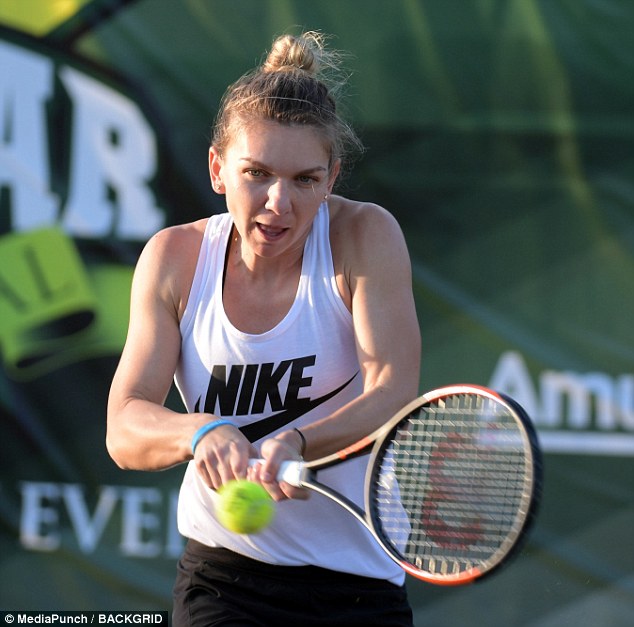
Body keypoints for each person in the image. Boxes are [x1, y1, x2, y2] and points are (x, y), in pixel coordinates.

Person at [107, 30, 421, 627]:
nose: (279, 202)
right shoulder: (174, 257)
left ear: (331, 179)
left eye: (305, 179)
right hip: (222, 580)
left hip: (358, 585)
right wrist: (200, 432)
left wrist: (300, 443)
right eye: (257, 173)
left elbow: (392, 391)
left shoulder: (365, 236)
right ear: (217, 169)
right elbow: (123, 428)